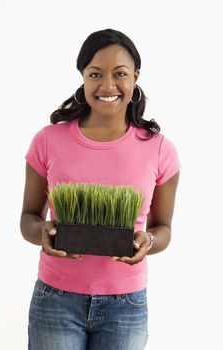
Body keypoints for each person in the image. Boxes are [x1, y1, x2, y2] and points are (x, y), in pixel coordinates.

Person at [20, 28, 180, 350]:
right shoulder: (48, 140)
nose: (107, 86)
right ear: (83, 77)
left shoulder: (160, 149)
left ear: (135, 76)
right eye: (95, 74)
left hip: (126, 305)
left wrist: (147, 241)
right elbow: (27, 219)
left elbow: (162, 229)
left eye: (119, 74)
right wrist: (43, 232)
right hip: (56, 299)